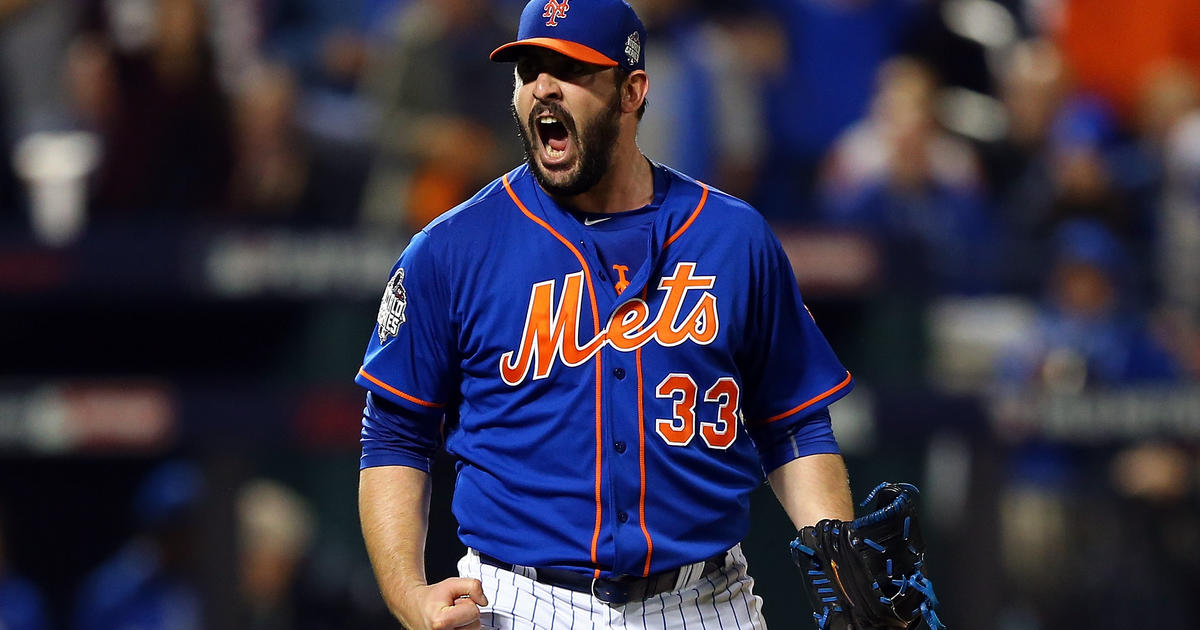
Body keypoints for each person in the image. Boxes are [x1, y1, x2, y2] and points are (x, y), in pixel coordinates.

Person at [355, 1, 857, 628]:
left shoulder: (734, 239)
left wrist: (843, 573)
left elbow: (794, 427)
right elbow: (394, 436)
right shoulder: (452, 247)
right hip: (519, 603)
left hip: (705, 603)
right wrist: (408, 594)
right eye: (528, 68)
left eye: (569, 68)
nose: (543, 86)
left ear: (632, 91)